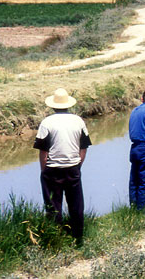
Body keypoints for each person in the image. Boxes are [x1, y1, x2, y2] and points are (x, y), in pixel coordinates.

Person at [33, 88, 91, 245]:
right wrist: (78, 164)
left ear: (53, 106)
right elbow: (84, 147)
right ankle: (78, 238)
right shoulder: (78, 121)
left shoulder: (47, 123)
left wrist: (43, 171)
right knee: (76, 204)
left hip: (52, 168)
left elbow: (43, 152)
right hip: (73, 167)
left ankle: (55, 239)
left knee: (53, 206)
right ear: (68, 105)